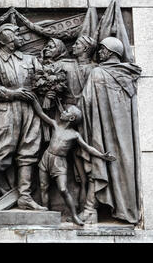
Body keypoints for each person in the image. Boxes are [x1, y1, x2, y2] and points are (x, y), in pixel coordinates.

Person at [0, 23, 46, 211]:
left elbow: (43, 81)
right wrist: (13, 93)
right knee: (0, 150)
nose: (22, 37)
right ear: (8, 39)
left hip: (31, 109)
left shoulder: (30, 59)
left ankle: (25, 197)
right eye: (18, 34)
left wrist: (49, 86)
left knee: (29, 152)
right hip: (7, 109)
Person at [78, 37, 142, 224]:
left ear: (110, 52)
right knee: (122, 165)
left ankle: (91, 209)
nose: (99, 53)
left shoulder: (97, 73)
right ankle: (125, 208)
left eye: (102, 50)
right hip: (124, 133)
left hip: (101, 128)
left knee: (98, 161)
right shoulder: (128, 73)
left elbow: (85, 102)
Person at [30, 97, 115, 226]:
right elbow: (41, 113)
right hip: (46, 158)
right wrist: (33, 100)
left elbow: (88, 148)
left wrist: (102, 156)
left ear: (71, 118)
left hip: (59, 163)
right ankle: (45, 212)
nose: (63, 112)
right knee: (44, 187)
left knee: (63, 189)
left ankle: (74, 215)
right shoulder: (55, 124)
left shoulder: (75, 135)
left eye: (66, 111)